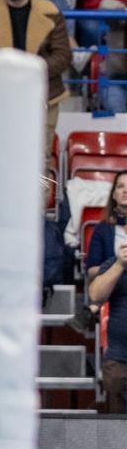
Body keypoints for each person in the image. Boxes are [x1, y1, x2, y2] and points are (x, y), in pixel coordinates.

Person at [0, 0, 71, 144]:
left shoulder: (50, 12)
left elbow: (63, 56)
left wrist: (31, 68)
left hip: (44, 95)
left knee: (40, 156)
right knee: (1, 152)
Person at [86, 171, 127, 412]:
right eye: (120, 186)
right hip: (119, 356)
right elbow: (96, 290)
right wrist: (119, 264)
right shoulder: (105, 232)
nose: (125, 191)